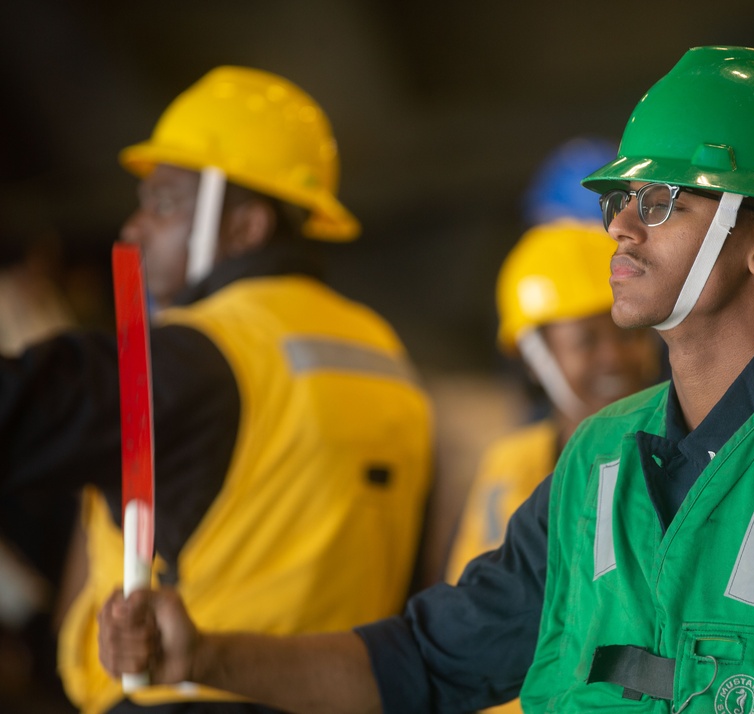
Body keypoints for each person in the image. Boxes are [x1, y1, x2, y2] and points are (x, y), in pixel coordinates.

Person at [98, 47, 754, 713]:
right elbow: (422, 662)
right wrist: (205, 653)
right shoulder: (593, 468)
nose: (618, 231)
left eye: (662, 203)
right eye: (619, 202)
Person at [0, 65, 434, 714]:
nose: (133, 228)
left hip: (186, 692)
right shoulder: (385, 352)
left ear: (247, 227)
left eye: (165, 202)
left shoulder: (192, 356)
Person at [444, 219, 661, 584]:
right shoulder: (513, 466)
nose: (614, 357)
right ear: (534, 359)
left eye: (628, 334)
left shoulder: (691, 457)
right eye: (586, 341)